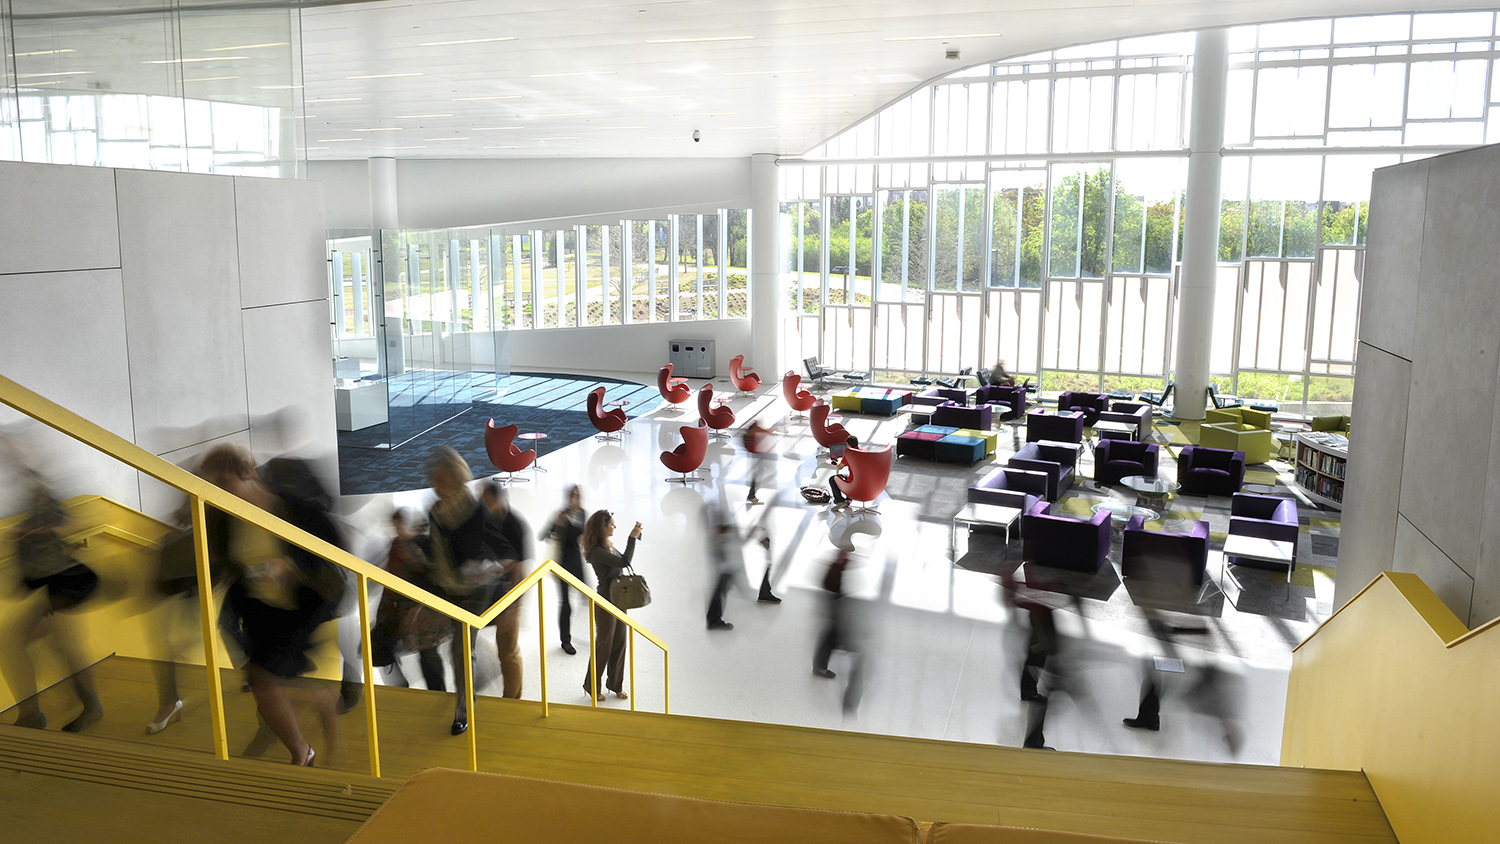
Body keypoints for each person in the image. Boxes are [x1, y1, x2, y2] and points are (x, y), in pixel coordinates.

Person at [202, 445, 341, 767]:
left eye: (224, 484)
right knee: (263, 683)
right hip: (259, 609)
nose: (219, 494)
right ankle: (303, 747)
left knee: (266, 684)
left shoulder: (293, 508)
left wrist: (290, 565)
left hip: (300, 606)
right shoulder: (223, 518)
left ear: (247, 472)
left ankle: (308, 742)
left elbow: (335, 551)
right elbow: (225, 562)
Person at [424, 447, 517, 736]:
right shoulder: (436, 512)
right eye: (434, 482)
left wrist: (505, 563)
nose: (436, 488)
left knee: (460, 649)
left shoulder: (475, 509)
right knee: (437, 645)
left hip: (474, 589)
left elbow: (495, 543)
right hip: (447, 588)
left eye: (440, 482)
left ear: (454, 480)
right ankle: (478, 668)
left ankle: (463, 712)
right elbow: (437, 552)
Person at [3, 471, 103, 733]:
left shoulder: (47, 505)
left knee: (50, 643)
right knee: (31, 642)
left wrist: (31, 530)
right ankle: (34, 712)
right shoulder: (28, 517)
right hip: (54, 588)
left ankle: (83, 707)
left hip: (71, 584)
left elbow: (68, 522)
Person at [371, 509, 449, 692]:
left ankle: (436, 694)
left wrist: (417, 610)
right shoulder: (399, 544)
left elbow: (427, 577)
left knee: (427, 653)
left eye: (397, 523)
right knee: (380, 644)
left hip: (420, 608)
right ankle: (402, 690)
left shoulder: (415, 545)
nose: (394, 528)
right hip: (401, 608)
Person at [581, 509, 640, 701]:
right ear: (602, 527)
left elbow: (621, 561)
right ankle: (591, 686)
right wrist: (632, 538)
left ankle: (615, 684)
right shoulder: (598, 551)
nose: (615, 526)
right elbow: (624, 562)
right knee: (604, 645)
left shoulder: (609, 547)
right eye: (611, 524)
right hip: (605, 601)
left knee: (620, 642)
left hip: (619, 599)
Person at [479, 481, 531, 699]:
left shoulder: (516, 525)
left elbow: (522, 569)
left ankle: (512, 698)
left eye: (485, 499)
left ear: (496, 499)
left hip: (510, 595)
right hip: (487, 591)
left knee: (508, 650)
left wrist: (516, 604)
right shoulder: (483, 521)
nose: (481, 503)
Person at [542, 485, 587, 655]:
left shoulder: (582, 513)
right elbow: (544, 535)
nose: (576, 498)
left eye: (578, 495)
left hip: (577, 564)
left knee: (587, 599)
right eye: (573, 495)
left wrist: (568, 525)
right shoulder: (561, 514)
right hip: (561, 565)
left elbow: (581, 534)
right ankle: (565, 641)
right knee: (566, 604)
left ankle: (591, 633)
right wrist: (556, 523)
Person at [743, 419, 776, 506]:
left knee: (757, 474)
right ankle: (751, 496)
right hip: (757, 455)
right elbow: (764, 431)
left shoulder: (752, 429)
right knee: (757, 475)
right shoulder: (754, 429)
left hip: (755, 454)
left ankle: (752, 495)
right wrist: (771, 430)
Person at [827, 435, 859, 510]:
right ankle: (848, 499)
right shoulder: (865, 451)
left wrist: (839, 460)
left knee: (832, 479)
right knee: (850, 475)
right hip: (864, 480)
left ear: (849, 445)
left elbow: (839, 467)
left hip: (853, 480)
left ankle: (839, 501)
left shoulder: (849, 454)